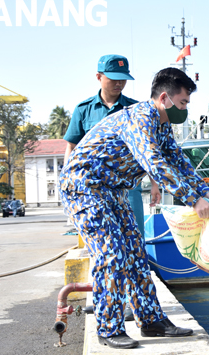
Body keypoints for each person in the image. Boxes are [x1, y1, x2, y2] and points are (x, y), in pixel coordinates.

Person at [59, 67, 209, 349]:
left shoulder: (161, 124)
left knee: (134, 252)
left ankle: (151, 321)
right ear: (164, 98)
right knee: (112, 254)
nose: (185, 109)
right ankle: (109, 329)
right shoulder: (139, 119)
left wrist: (204, 190)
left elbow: (177, 160)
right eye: (183, 103)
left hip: (112, 190)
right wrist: (192, 199)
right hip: (84, 188)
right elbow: (154, 163)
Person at [63, 54, 159, 238]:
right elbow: (72, 148)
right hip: (95, 187)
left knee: (134, 236)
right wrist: (69, 181)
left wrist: (155, 183)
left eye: (123, 79)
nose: (119, 83)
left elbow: (147, 148)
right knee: (103, 238)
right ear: (99, 77)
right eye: (114, 78)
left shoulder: (135, 109)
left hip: (128, 186)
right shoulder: (84, 110)